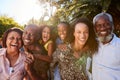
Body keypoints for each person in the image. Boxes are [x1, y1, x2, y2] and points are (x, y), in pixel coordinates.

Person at [92, 12, 120, 80]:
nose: (103, 28)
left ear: (112, 25)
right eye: (98, 25)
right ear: (95, 29)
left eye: (107, 24)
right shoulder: (93, 43)